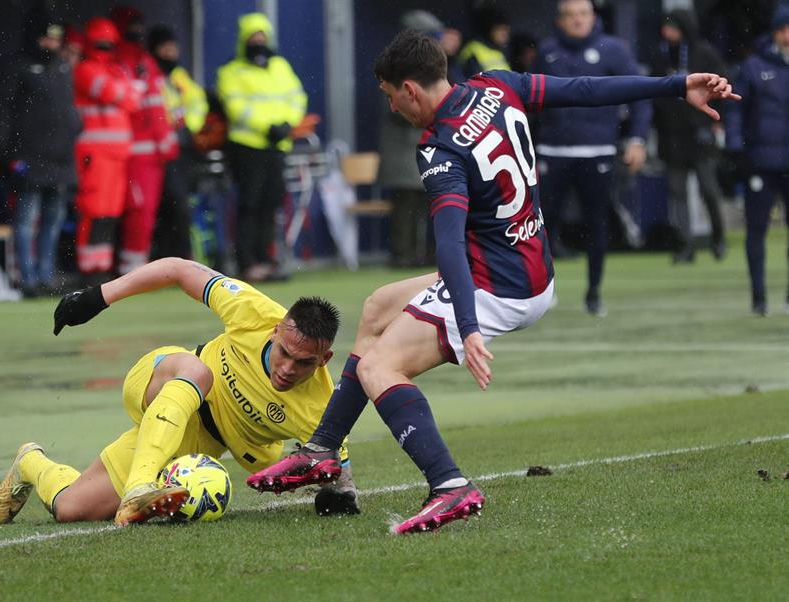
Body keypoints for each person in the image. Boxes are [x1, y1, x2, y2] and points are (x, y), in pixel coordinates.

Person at [247, 30, 740, 534]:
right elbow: (585, 89)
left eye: (391, 95)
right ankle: (322, 449)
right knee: (377, 307)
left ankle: (449, 485)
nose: (393, 107)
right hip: (526, 267)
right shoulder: (496, 86)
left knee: (378, 367)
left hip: (495, 286)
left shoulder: (439, 148)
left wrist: (468, 323)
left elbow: (450, 245)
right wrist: (676, 85)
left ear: (411, 90)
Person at [0, 257, 359, 527]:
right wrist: (98, 297)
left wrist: (337, 494)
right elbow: (178, 269)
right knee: (199, 372)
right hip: (163, 378)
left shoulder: (323, 407)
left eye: (304, 363)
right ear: (275, 331)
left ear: (324, 359)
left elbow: (338, 469)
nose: (288, 368)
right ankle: (140, 485)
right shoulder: (253, 310)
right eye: (284, 353)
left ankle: (29, 464)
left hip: (197, 440)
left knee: (71, 509)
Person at [532, 0, 651, 315]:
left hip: (596, 150)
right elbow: (529, 100)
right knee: (542, 225)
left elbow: (638, 94)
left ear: (593, 17)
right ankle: (543, 292)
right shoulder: (547, 52)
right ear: (559, 20)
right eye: (570, 15)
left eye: (583, 14)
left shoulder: (613, 49)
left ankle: (594, 293)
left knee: (596, 223)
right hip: (552, 151)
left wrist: (637, 139)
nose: (577, 20)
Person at [0, 12, 81, 297]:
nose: (50, 43)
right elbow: (2, 114)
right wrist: (6, 154)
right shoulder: (18, 68)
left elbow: (69, 112)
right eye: (46, 37)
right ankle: (28, 279)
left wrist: (75, 130)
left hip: (61, 160)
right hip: (30, 158)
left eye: (55, 38)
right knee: (27, 220)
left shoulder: (63, 69)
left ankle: (46, 276)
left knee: (53, 221)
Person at [215, 13, 307, 282]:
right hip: (247, 147)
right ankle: (247, 263)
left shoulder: (280, 66)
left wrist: (287, 124)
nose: (259, 42)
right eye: (253, 38)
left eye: (262, 37)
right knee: (249, 205)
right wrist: (266, 126)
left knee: (272, 203)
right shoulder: (231, 72)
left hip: (277, 145)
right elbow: (236, 107)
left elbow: (297, 97)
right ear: (244, 40)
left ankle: (267, 260)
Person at [725, 6, 789, 316]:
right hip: (762, 159)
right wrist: (736, 148)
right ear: (777, 32)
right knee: (756, 230)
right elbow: (736, 110)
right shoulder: (753, 66)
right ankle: (759, 296)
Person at [651, 9, 728, 264]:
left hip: (700, 134)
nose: (666, 32)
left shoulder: (703, 52)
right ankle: (685, 245)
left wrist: (717, 122)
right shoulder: (660, 55)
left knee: (709, 189)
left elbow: (723, 87)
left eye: (672, 26)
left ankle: (719, 237)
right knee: (677, 193)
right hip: (672, 136)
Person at [111, 6, 179, 275]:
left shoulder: (145, 63)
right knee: (135, 212)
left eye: (139, 28)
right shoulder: (118, 63)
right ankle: (131, 271)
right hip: (131, 154)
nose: (136, 34)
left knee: (146, 213)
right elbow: (138, 107)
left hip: (151, 155)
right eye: (132, 28)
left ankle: (136, 268)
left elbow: (157, 108)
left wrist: (166, 142)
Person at [378, 10, 448, 269]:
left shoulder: (427, 67)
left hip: (418, 148)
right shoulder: (394, 65)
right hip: (401, 151)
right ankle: (401, 254)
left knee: (420, 207)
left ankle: (416, 253)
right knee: (404, 208)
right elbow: (395, 108)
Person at [72, 17, 139, 279]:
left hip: (118, 154)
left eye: (108, 44)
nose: (104, 49)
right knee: (93, 210)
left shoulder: (116, 69)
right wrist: (125, 93)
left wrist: (125, 93)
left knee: (111, 211)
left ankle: (102, 266)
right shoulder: (85, 69)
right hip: (94, 153)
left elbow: (134, 99)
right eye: (100, 44)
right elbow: (116, 94)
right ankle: (88, 268)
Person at [147, 24, 209, 261]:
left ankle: (180, 256)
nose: (171, 52)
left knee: (180, 204)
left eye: (173, 47)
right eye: (165, 48)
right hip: (157, 148)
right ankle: (166, 258)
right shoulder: (151, 75)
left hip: (180, 148)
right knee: (167, 206)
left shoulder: (178, 76)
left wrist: (188, 125)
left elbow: (197, 101)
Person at [458, 1, 511, 77]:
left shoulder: (499, 52)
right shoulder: (473, 50)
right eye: (501, 30)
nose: (505, 35)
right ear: (490, 29)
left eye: (506, 31)